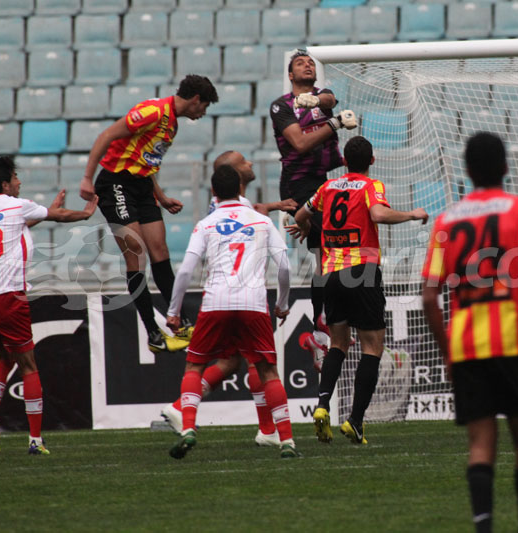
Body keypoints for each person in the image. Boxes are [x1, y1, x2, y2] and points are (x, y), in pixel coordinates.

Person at [421, 132, 518, 533]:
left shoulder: (446, 220)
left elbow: (429, 298)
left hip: (467, 347)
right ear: (505, 167)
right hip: (517, 343)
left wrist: (447, 352)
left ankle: (483, 527)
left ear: (467, 171)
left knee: (480, 445)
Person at [290, 136, 428, 444]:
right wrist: (411, 215)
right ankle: (355, 421)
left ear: (344, 161)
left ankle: (323, 406)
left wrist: (305, 228)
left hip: (332, 275)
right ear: (372, 161)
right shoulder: (370, 186)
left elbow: (301, 215)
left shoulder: (328, 188)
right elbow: (378, 215)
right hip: (362, 272)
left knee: (338, 344)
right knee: (372, 347)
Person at [159, 151, 297, 447]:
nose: (249, 163)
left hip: (217, 300)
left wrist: (173, 310)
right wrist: (283, 304)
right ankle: (284, 438)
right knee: (263, 368)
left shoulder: (208, 221)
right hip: (252, 302)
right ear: (237, 182)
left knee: (201, 365)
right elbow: (284, 264)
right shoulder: (259, 220)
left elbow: (185, 270)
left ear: (214, 190)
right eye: (244, 161)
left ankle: (188, 425)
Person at [0, 156, 98, 455]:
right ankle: (36, 441)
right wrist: (86, 213)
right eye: (15, 177)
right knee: (29, 365)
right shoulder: (16, 205)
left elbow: (17, 223)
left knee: (4, 358)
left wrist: (49, 210)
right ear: (4, 184)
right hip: (8, 297)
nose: (19, 182)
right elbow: (59, 217)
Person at [79, 74, 219, 353]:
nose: (204, 113)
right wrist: (87, 177)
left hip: (142, 186)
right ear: (195, 100)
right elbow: (106, 135)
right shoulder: (153, 112)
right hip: (116, 182)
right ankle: (152, 332)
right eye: (204, 106)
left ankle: (177, 322)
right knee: (136, 253)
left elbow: (146, 163)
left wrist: (162, 197)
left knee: (160, 250)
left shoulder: (173, 125)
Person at [270, 49, 358, 371]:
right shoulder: (281, 106)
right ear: (290, 75)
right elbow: (301, 144)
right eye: (299, 63)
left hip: (321, 183)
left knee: (328, 254)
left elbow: (332, 99)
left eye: (310, 62)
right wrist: (334, 123)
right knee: (327, 250)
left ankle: (319, 332)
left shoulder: (323, 97)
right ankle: (322, 324)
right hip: (297, 185)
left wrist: (321, 104)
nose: (307, 65)